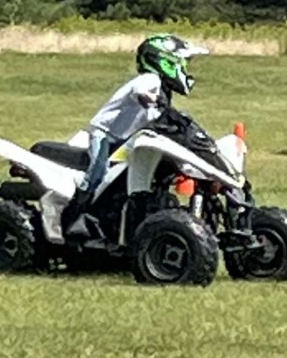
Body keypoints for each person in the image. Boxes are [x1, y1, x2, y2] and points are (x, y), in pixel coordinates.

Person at [65, 33, 208, 238]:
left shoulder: (163, 88)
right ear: (165, 61)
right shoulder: (149, 79)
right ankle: (73, 217)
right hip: (104, 134)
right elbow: (141, 93)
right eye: (183, 63)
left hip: (126, 138)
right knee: (98, 172)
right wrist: (150, 98)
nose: (185, 68)